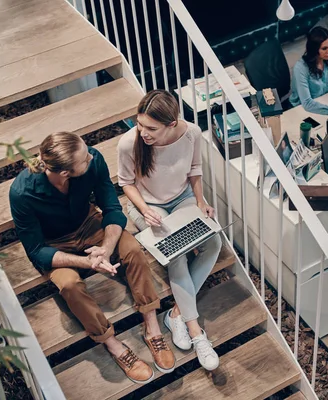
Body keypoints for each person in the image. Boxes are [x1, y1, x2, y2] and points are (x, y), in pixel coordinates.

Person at [9, 132, 175, 384]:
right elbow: (36, 250)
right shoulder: (22, 193)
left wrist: (106, 249)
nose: (92, 157)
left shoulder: (93, 160)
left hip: (89, 224)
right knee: (69, 285)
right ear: (65, 172)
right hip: (54, 243)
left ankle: (151, 326)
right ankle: (112, 343)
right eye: (84, 159)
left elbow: (111, 208)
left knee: (132, 250)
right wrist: (87, 262)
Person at [117, 90, 223, 371]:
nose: (143, 132)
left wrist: (201, 201)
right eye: (140, 124)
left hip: (182, 198)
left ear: (172, 124)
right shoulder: (129, 143)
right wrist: (143, 209)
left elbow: (195, 169)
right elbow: (125, 183)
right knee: (177, 252)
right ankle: (197, 331)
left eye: (151, 128)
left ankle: (175, 314)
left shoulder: (192, 134)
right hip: (147, 206)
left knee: (214, 243)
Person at [289, 26, 328, 117]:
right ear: (314, 49)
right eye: (324, 48)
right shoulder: (300, 68)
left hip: (323, 101)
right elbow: (307, 103)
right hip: (301, 109)